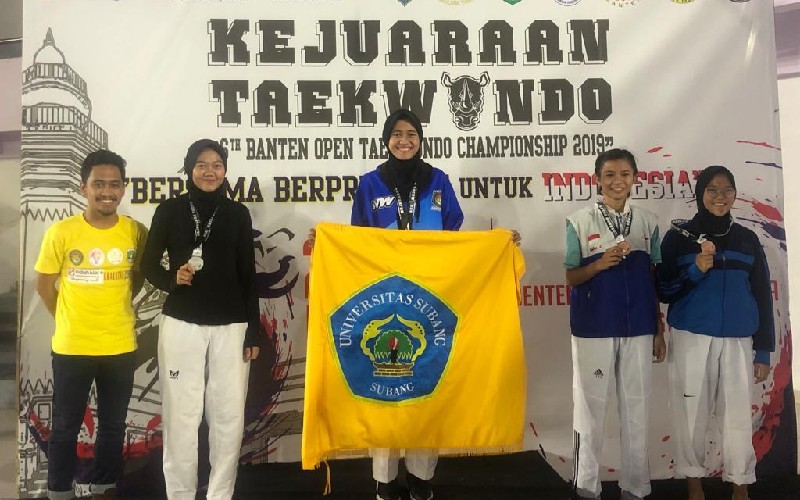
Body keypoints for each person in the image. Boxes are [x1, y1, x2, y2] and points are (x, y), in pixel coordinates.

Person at [140, 139, 260, 500]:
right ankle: (180, 494)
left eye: (217, 165)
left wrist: (253, 331)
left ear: (225, 170)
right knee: (181, 415)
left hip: (231, 326)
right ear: (189, 168)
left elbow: (247, 274)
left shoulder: (237, 213)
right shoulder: (169, 210)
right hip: (182, 324)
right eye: (202, 165)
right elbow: (148, 265)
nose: (210, 171)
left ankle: (220, 494)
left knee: (228, 416)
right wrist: (171, 280)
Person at [355, 108, 462, 500]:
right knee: (384, 387)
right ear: (386, 140)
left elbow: (454, 233)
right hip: (383, 298)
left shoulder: (439, 180)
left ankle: (420, 476)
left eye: (412, 134)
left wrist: (499, 245)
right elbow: (357, 239)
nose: (405, 140)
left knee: (424, 385)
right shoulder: (370, 184)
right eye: (397, 134)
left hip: (429, 298)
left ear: (421, 139)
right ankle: (384, 479)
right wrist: (327, 243)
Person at [35, 150, 147, 500]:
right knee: (65, 426)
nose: (107, 192)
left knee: (113, 426)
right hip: (73, 347)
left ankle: (103, 489)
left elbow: (138, 278)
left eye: (114, 184)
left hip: (120, 345)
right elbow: (44, 285)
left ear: (124, 188)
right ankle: (59, 492)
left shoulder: (135, 231)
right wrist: (67, 318)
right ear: (83, 187)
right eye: (99, 184)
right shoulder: (61, 232)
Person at [657, 165, 774, 500]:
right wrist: (695, 270)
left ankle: (740, 485)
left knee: (737, 416)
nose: (720, 197)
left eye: (727, 190)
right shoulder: (678, 238)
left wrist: (763, 350)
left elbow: (762, 294)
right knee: (691, 415)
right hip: (691, 338)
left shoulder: (747, 239)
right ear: (699, 194)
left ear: (735, 194)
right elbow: (663, 289)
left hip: (738, 340)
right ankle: (694, 486)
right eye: (712, 190)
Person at [564, 148, 666, 500]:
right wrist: (599, 264)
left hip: (639, 328)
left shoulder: (649, 222)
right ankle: (586, 487)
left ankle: (635, 487)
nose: (617, 181)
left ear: (635, 178)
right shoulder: (579, 221)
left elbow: (653, 279)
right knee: (590, 409)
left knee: (637, 408)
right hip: (593, 327)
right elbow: (571, 277)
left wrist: (658, 329)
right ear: (597, 180)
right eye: (609, 174)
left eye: (624, 174)